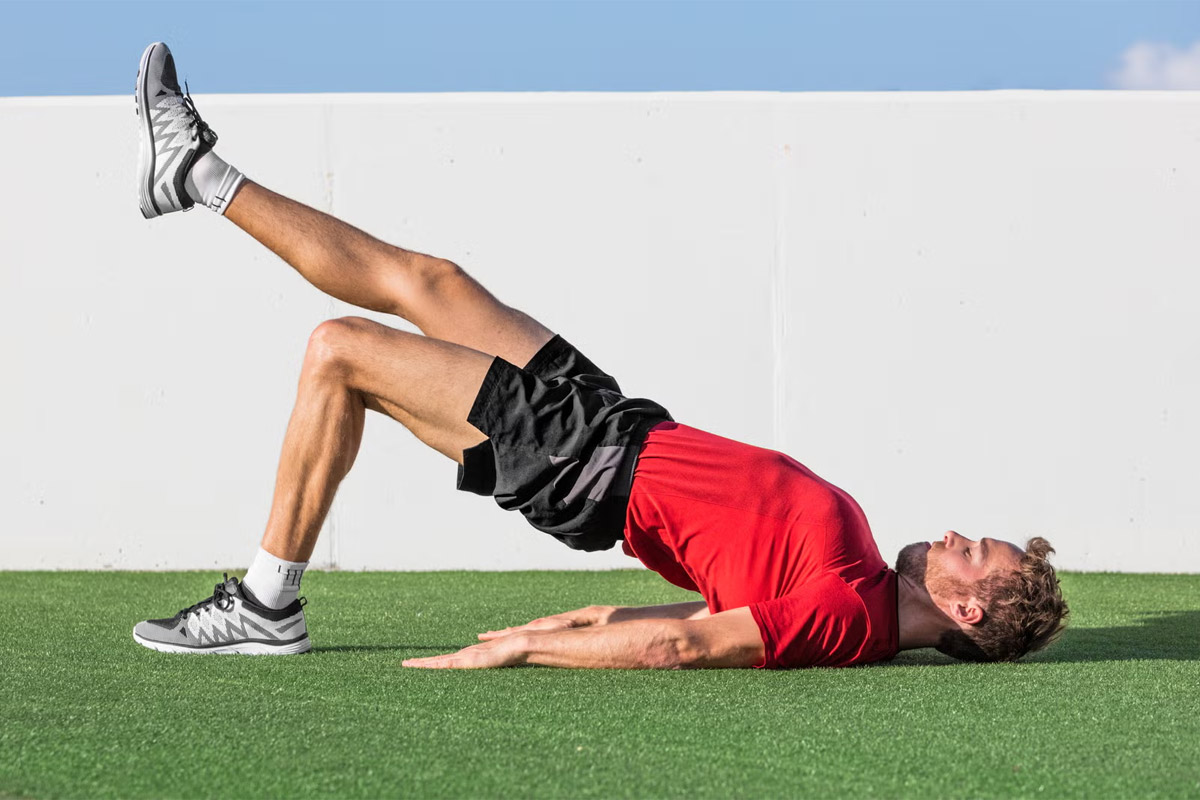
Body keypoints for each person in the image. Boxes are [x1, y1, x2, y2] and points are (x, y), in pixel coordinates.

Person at [131, 43, 1068, 668]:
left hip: (582, 463)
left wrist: (526, 650)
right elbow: (687, 619)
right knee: (431, 278)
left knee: (339, 352)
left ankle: (265, 603)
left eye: (972, 552)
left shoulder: (852, 618)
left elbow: (693, 650)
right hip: (614, 421)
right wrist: (585, 622)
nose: (953, 534)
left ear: (970, 611)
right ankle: (198, 174)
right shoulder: (859, 573)